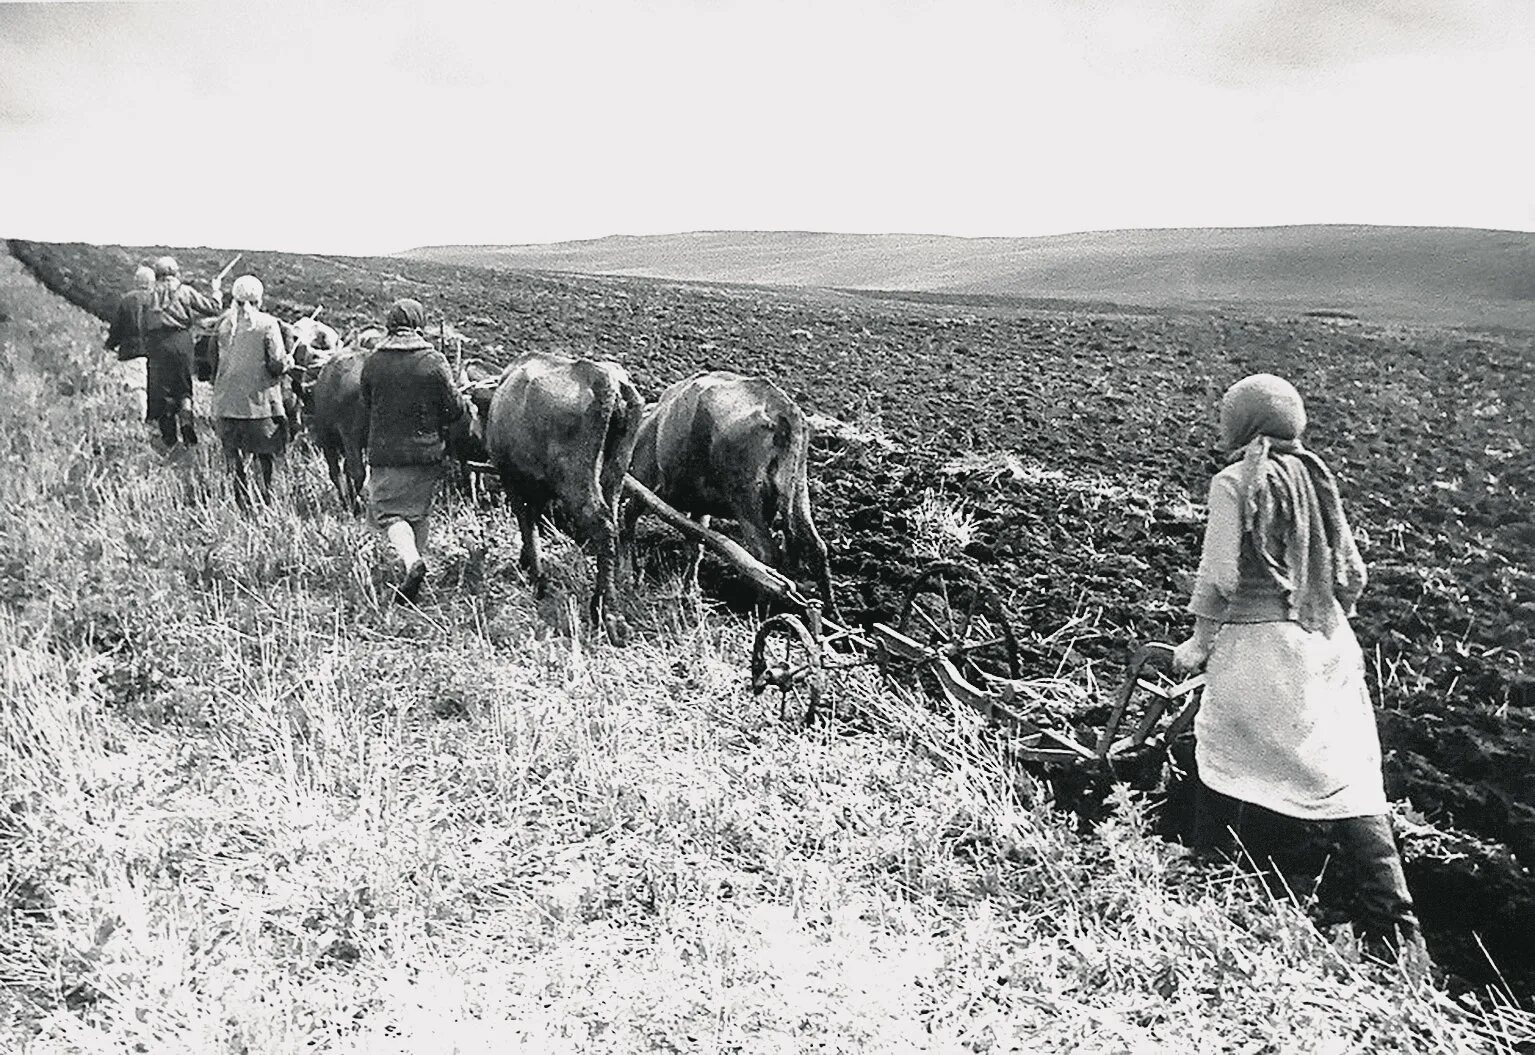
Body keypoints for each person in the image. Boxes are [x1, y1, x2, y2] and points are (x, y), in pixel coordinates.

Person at [1171, 372, 1423, 961]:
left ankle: (1210, 872)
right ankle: (1401, 931)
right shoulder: (1317, 479)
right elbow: (1352, 573)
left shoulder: (1235, 482)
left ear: (1242, 423)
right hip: (1330, 640)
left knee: (1221, 743)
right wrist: (1324, 615)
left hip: (1263, 648)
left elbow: (1220, 578)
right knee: (1344, 773)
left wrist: (1200, 642)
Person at [359, 298, 465, 605]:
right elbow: (455, 409)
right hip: (427, 454)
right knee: (419, 513)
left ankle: (412, 563)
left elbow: (366, 403)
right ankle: (418, 570)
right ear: (419, 324)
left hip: (386, 453)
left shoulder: (373, 361)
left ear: (389, 324)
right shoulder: (434, 361)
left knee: (389, 515)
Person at [211, 276, 291, 511]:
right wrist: (289, 362)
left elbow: (213, 362)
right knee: (263, 455)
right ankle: (265, 502)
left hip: (226, 405)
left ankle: (241, 503)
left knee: (234, 458)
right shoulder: (267, 324)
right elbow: (276, 364)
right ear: (259, 298)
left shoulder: (223, 324)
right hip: (259, 405)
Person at [143, 256, 224, 448]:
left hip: (157, 344)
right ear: (176, 272)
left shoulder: (148, 294)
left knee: (162, 388)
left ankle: (169, 436)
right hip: (181, 342)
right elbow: (214, 308)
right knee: (184, 386)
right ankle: (187, 424)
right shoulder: (184, 291)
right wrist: (216, 290)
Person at [105, 264, 156, 362]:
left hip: (130, 353)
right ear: (152, 283)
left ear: (136, 282)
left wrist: (109, 345)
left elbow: (116, 328)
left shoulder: (127, 300)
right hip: (153, 355)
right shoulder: (158, 300)